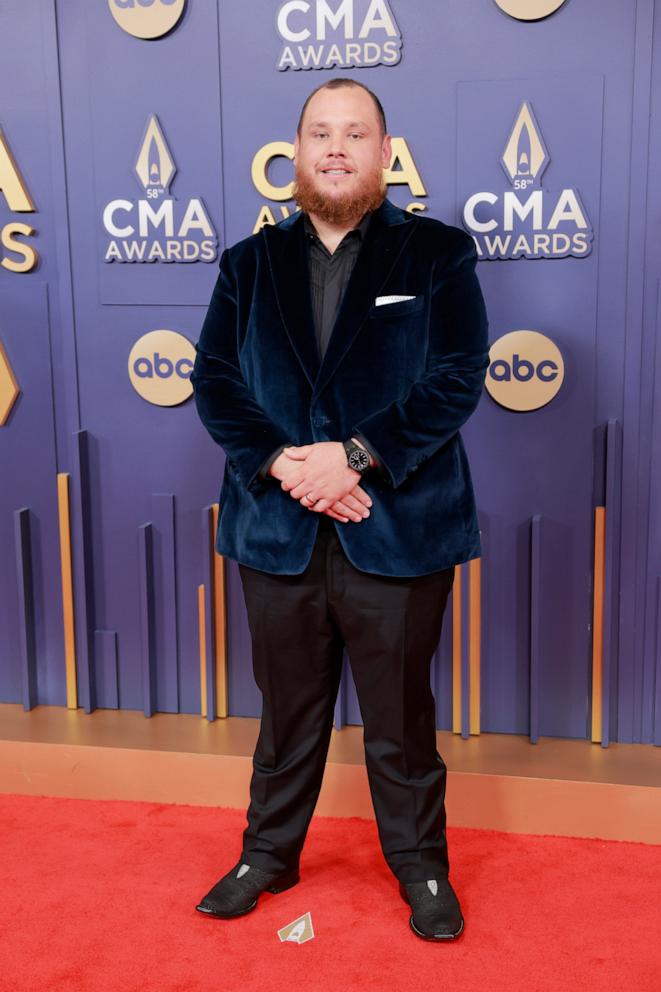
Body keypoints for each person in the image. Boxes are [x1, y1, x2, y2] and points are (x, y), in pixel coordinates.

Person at [189, 77, 489, 941]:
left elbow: (456, 376)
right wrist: (288, 463)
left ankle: (422, 867)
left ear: (384, 154)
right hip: (276, 531)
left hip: (398, 529)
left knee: (401, 721)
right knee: (285, 713)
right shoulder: (248, 264)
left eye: (354, 133)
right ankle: (266, 854)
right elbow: (215, 379)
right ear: (295, 150)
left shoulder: (438, 254)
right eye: (319, 132)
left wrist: (355, 457)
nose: (334, 147)